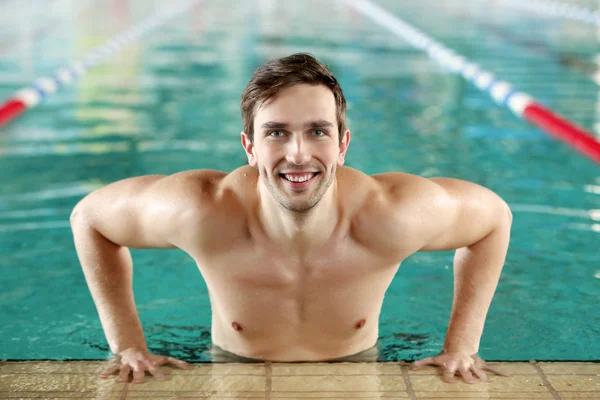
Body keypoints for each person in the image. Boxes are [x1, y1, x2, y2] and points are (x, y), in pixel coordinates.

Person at [70, 53, 512, 384]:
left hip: (357, 366)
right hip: (230, 366)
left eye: (318, 131)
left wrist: (462, 347)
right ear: (249, 146)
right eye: (276, 132)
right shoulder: (201, 211)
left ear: (342, 145)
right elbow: (90, 218)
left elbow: (494, 218)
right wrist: (127, 344)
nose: (297, 154)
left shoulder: (391, 215)